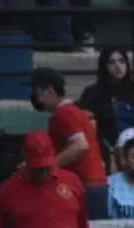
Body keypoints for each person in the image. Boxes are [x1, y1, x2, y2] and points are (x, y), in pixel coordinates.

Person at [31, 67, 109, 219]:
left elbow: (80, 145)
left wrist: (48, 166)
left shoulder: (64, 113)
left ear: (48, 90)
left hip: (86, 187)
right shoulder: (71, 111)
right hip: (91, 186)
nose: (35, 97)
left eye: (37, 91)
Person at [77, 48, 134, 164]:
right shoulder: (92, 93)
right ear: (104, 66)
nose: (118, 66)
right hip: (104, 147)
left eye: (122, 61)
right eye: (112, 62)